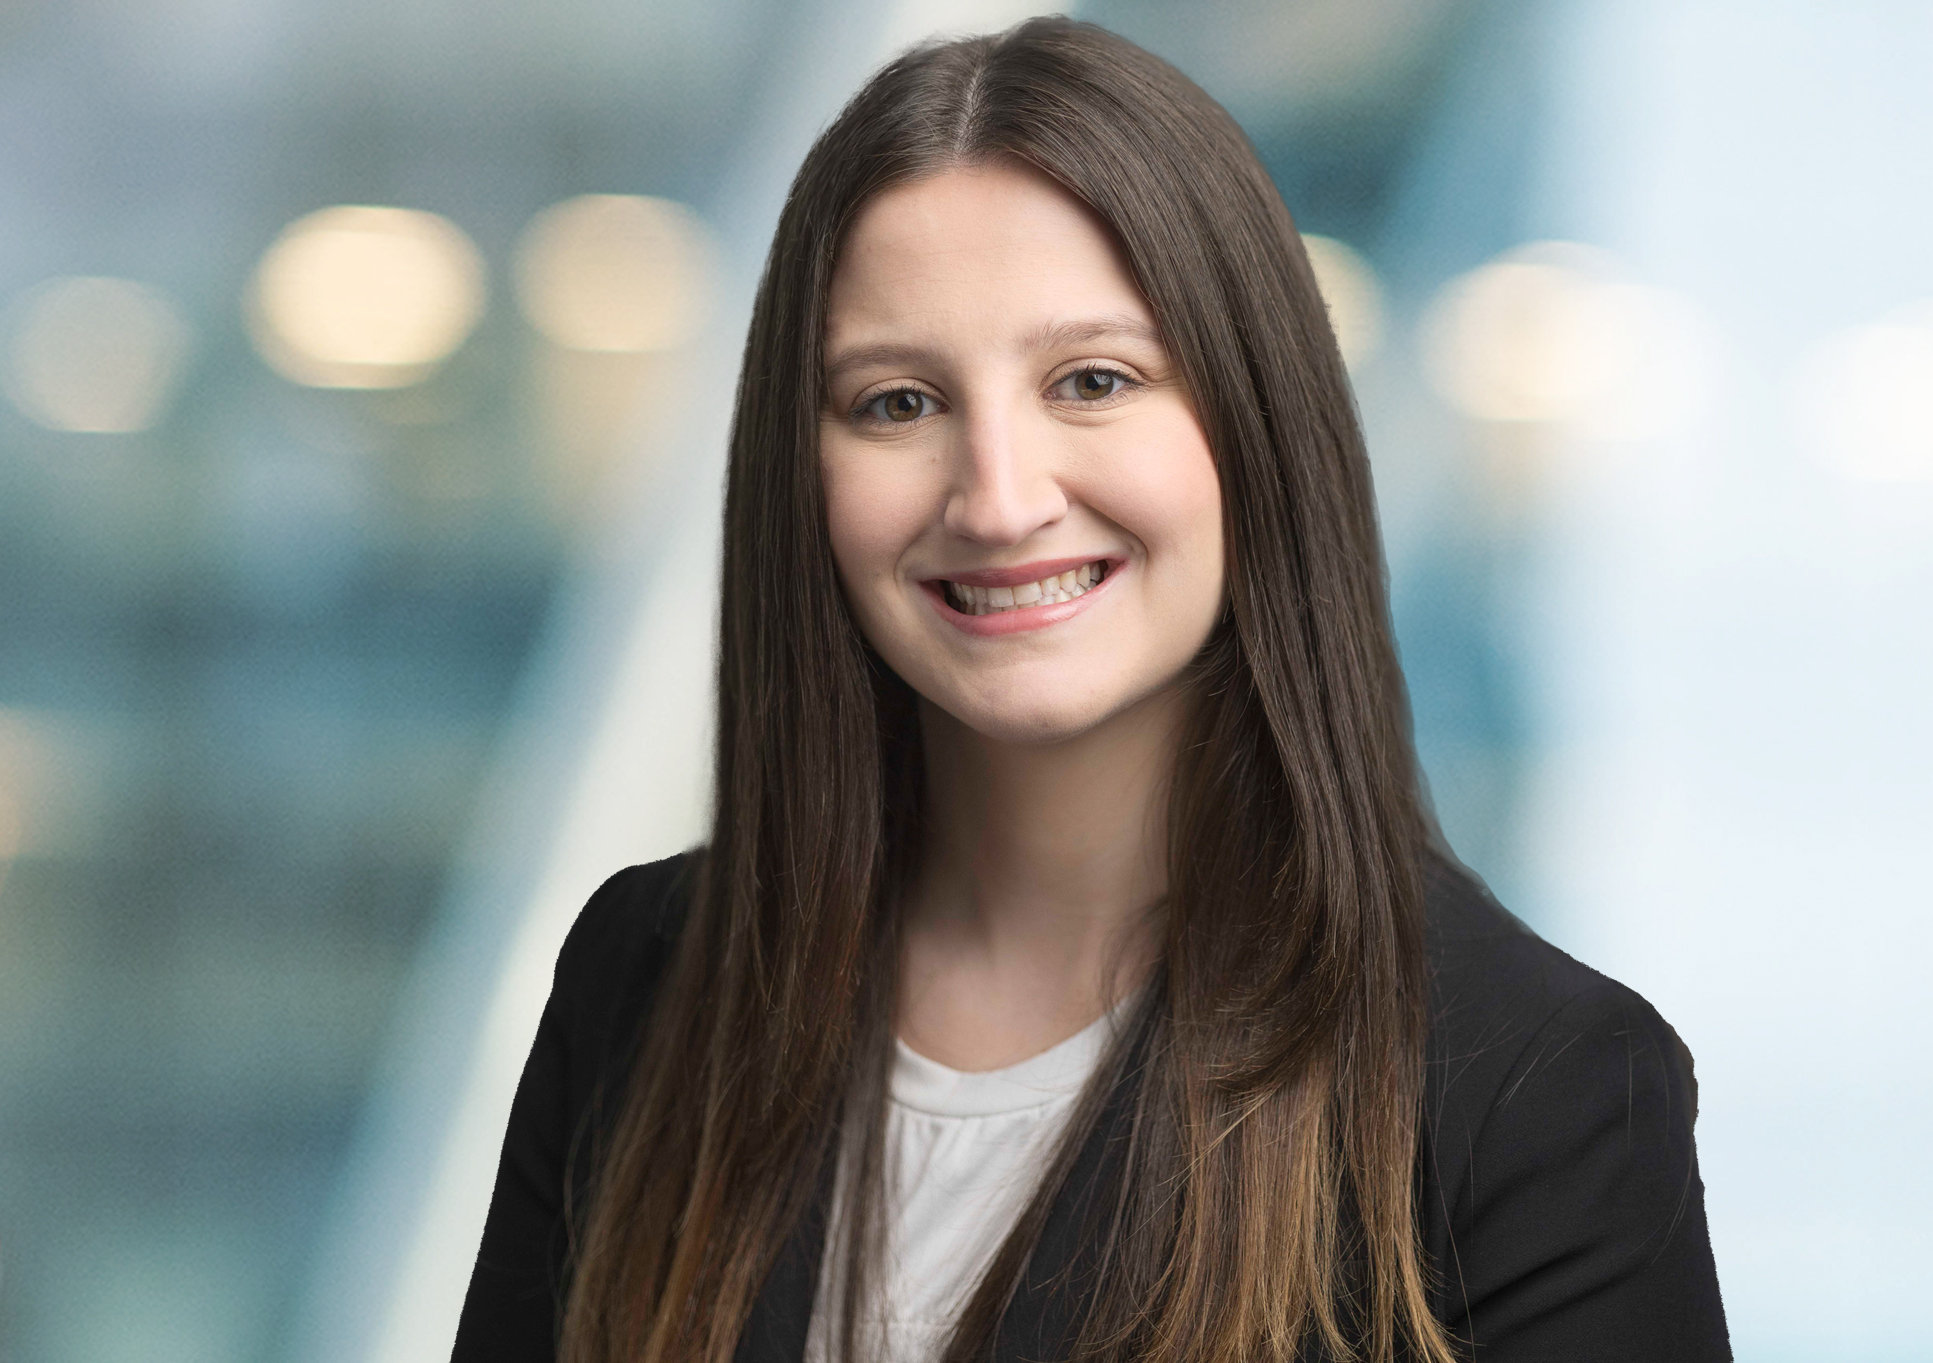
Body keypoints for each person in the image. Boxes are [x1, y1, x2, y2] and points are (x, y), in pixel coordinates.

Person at [452, 18, 1730, 1363]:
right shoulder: (647, 981)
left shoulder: (1537, 1093)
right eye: (897, 404)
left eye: (1095, 381)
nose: (999, 499)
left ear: (1253, 419)